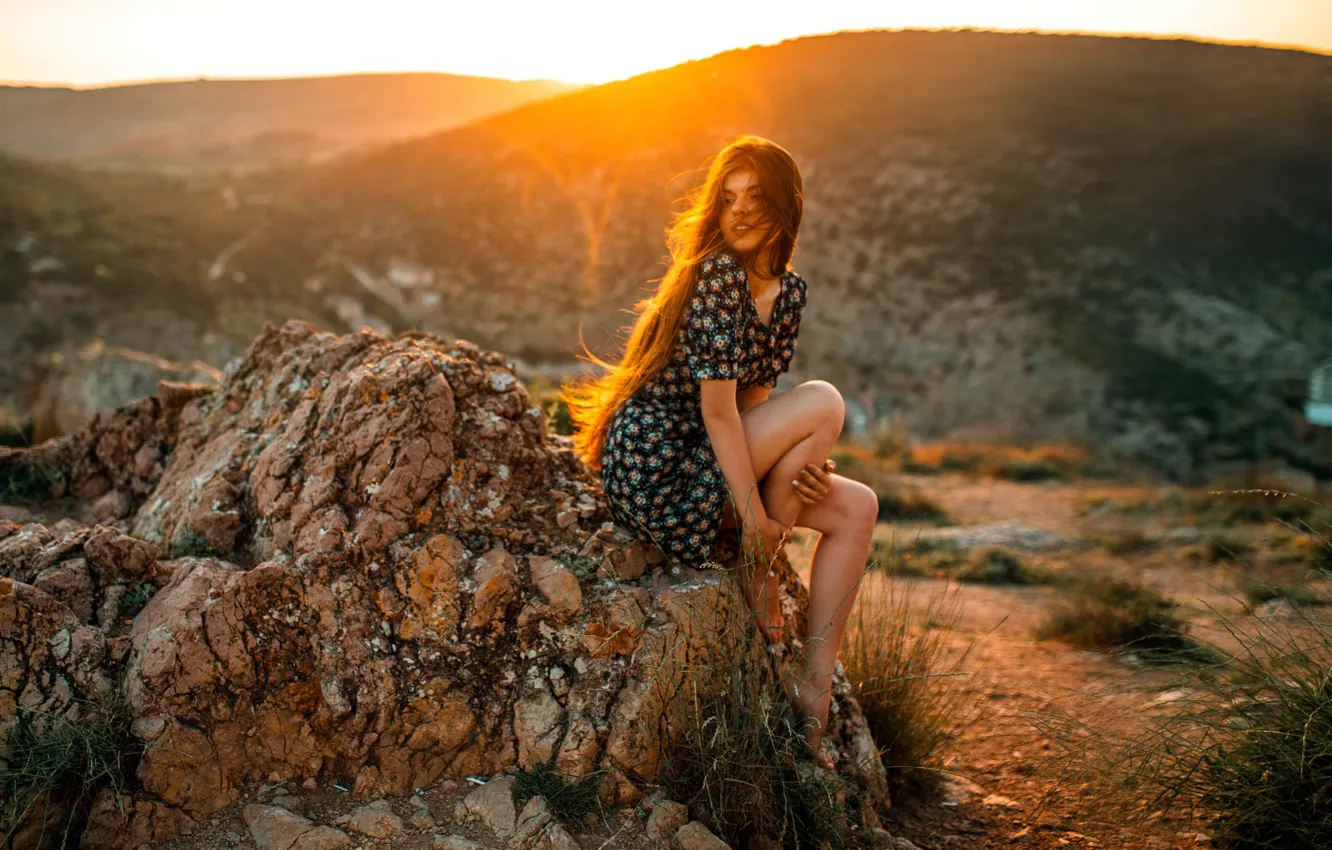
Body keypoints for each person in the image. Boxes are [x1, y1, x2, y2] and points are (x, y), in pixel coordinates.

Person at [564, 135, 877, 769]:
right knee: (823, 401)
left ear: (786, 204)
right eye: (728, 198)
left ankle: (813, 685)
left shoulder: (789, 293)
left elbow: (751, 404)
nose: (739, 211)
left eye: (755, 196)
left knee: (857, 507)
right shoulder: (717, 276)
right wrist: (759, 519)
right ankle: (761, 563)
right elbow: (716, 411)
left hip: (714, 455)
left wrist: (794, 464)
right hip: (659, 464)